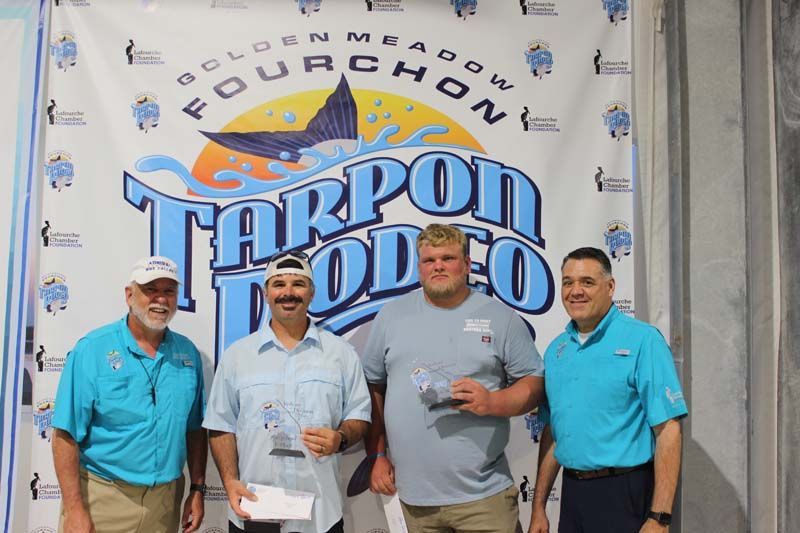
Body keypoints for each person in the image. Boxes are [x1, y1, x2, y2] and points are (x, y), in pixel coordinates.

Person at [363, 223, 545, 532]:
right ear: (419, 268)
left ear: (467, 264)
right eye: (429, 260)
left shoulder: (499, 317)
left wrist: (493, 402)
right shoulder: (391, 316)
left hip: (484, 497)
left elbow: (534, 382)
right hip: (413, 499)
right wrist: (377, 454)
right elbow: (372, 387)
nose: (438, 266)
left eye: (448, 258)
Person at [204, 250, 371, 533]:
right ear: (266, 293)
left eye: (298, 284)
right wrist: (230, 481)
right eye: (279, 284)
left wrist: (340, 438)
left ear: (311, 293)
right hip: (254, 508)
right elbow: (221, 426)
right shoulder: (237, 356)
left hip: (320, 514)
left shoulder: (341, 354)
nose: (288, 293)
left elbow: (360, 415)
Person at [529, 247, 687, 533]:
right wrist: (538, 507)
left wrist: (660, 517)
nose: (576, 291)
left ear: (610, 287)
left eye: (587, 282)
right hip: (572, 494)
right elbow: (553, 433)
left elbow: (668, 430)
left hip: (625, 494)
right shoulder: (556, 351)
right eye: (568, 282)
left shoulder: (643, 341)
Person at [51, 256, 207, 533]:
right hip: (103, 499)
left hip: (165, 503)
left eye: (169, 291)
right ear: (129, 295)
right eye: (150, 290)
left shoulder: (188, 354)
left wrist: (197, 488)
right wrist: (74, 509)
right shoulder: (92, 349)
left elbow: (195, 430)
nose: (161, 299)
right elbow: (65, 435)